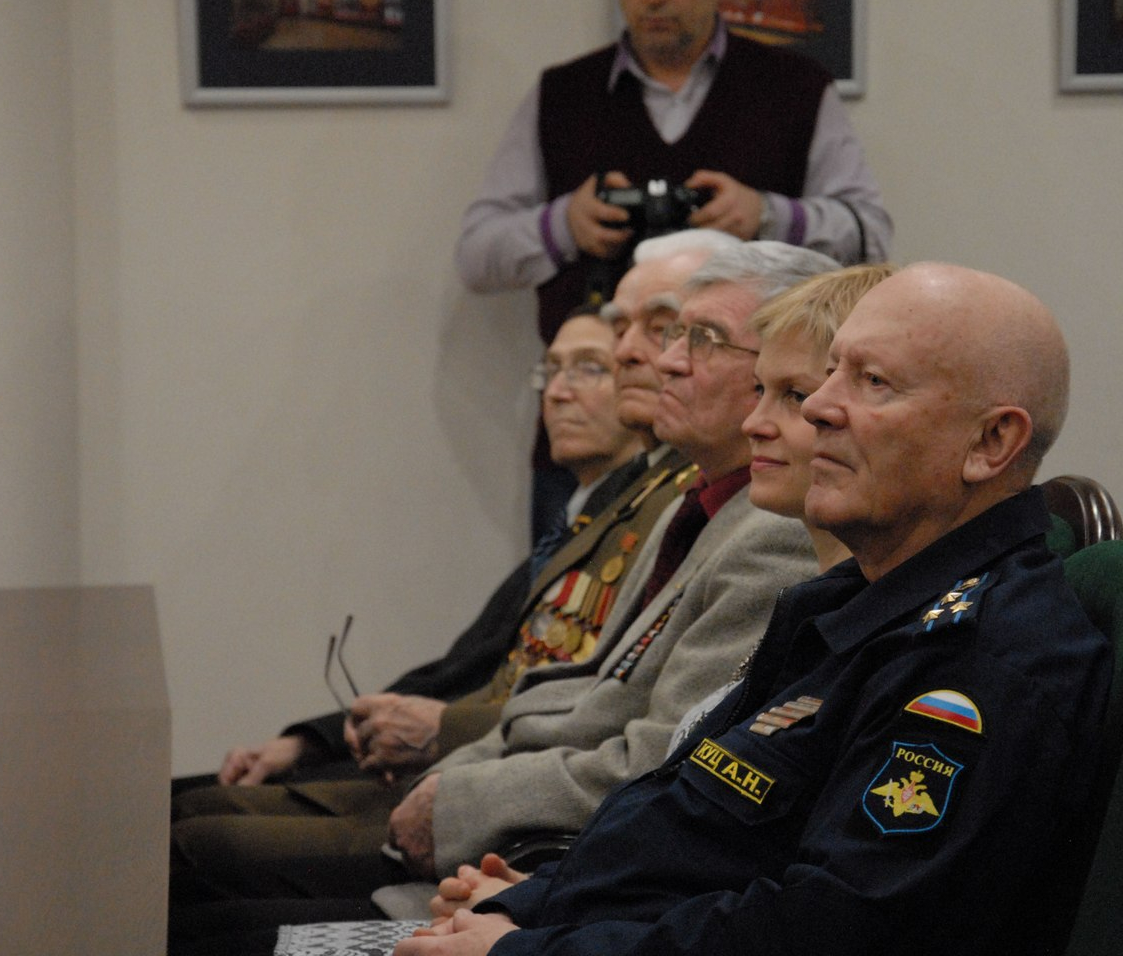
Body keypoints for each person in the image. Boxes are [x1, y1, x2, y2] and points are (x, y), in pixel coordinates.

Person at [395, 263, 1110, 956]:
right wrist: (532, 905)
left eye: (873, 382)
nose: (820, 407)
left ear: (991, 442)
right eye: (831, 372)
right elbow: (689, 830)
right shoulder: (849, 604)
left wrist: (531, 950)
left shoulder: (982, 660)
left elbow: (828, 931)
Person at [169, 297, 701, 925]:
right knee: (177, 817)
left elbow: (597, 717)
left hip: (509, 801)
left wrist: (442, 746)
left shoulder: (670, 514)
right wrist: (315, 739)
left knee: (185, 847)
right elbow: (469, 664)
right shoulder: (602, 514)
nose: (558, 393)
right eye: (553, 369)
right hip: (472, 766)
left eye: (591, 367)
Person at [427, 261, 896, 923]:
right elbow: (682, 805)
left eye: (794, 395)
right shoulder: (814, 596)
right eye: (766, 391)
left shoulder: (812, 573)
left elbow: (793, 904)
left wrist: (532, 923)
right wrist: (538, 900)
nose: (759, 423)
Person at [457, 0, 892, 348]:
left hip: (749, 379)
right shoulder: (563, 94)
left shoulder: (797, 87)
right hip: (596, 381)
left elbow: (871, 237)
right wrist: (564, 225)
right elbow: (475, 256)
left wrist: (768, 216)